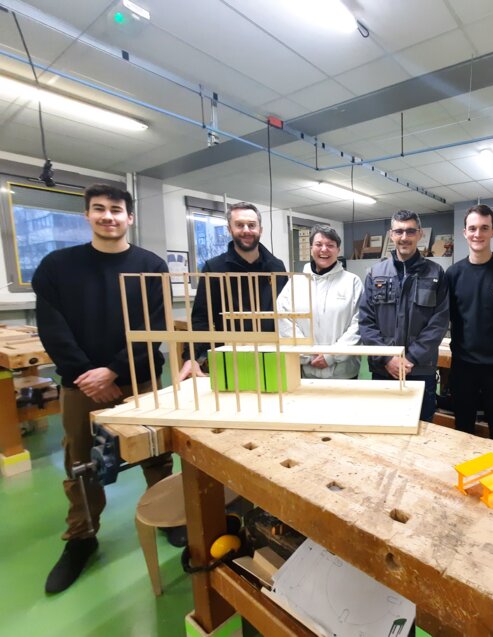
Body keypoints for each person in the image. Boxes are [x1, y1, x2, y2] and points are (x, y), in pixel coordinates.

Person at [32, 184, 175, 594]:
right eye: (99, 209)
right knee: (81, 462)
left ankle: (168, 517)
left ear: (129, 217)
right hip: (82, 387)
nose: (108, 216)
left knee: (157, 452)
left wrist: (113, 371)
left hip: (140, 379)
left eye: (116, 210)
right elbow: (53, 329)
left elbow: (155, 326)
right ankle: (82, 537)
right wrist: (88, 375)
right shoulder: (57, 266)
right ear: (87, 216)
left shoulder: (151, 266)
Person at [177, 202, 286, 381]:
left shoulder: (277, 267)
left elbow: (286, 314)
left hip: (272, 354)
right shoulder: (215, 268)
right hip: (229, 356)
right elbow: (201, 318)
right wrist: (191, 357)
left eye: (251, 225)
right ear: (229, 229)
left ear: (261, 229)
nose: (246, 230)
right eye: (239, 225)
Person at [358, 210, 449, 421]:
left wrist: (410, 359)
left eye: (410, 231)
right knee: (383, 427)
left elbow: (439, 321)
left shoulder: (436, 274)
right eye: (399, 231)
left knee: (422, 428)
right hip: (383, 371)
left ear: (420, 235)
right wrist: (388, 359)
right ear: (391, 235)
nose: (404, 237)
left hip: (420, 370)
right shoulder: (375, 273)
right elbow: (366, 321)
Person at [445, 204, 493, 443]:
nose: (478, 234)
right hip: (463, 366)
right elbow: (448, 317)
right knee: (463, 425)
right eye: (473, 228)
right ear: (464, 233)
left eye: (484, 228)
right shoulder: (453, 274)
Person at [278, 224, 363, 379]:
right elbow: (284, 321)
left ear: (338, 250)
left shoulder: (352, 282)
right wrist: (307, 354)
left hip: (344, 373)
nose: (324, 249)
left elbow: (358, 325)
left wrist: (331, 355)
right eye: (318, 244)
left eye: (330, 245)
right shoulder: (295, 282)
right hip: (304, 371)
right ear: (311, 248)